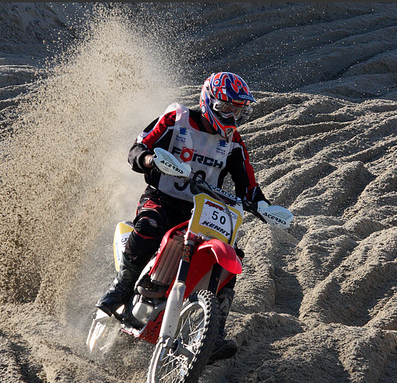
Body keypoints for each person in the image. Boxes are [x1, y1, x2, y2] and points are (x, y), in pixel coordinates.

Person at [95, 71, 269, 363]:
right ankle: (122, 286)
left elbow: (248, 187)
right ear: (208, 102)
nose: (232, 116)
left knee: (231, 257)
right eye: (227, 108)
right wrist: (152, 159)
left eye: (239, 110)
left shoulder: (234, 143)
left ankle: (213, 332)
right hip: (162, 198)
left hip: (202, 210)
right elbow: (137, 150)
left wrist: (266, 207)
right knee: (150, 224)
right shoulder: (176, 119)